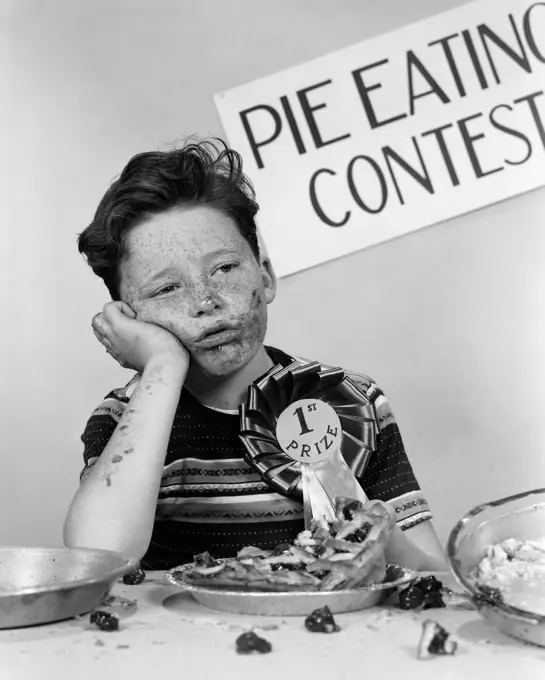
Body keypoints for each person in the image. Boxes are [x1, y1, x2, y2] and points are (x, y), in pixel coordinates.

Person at [63, 139, 446, 571]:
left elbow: (434, 578)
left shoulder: (354, 400)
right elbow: (99, 556)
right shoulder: (124, 418)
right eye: (167, 288)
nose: (206, 301)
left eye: (224, 268)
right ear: (128, 319)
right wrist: (163, 366)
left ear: (264, 278)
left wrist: (370, 525)